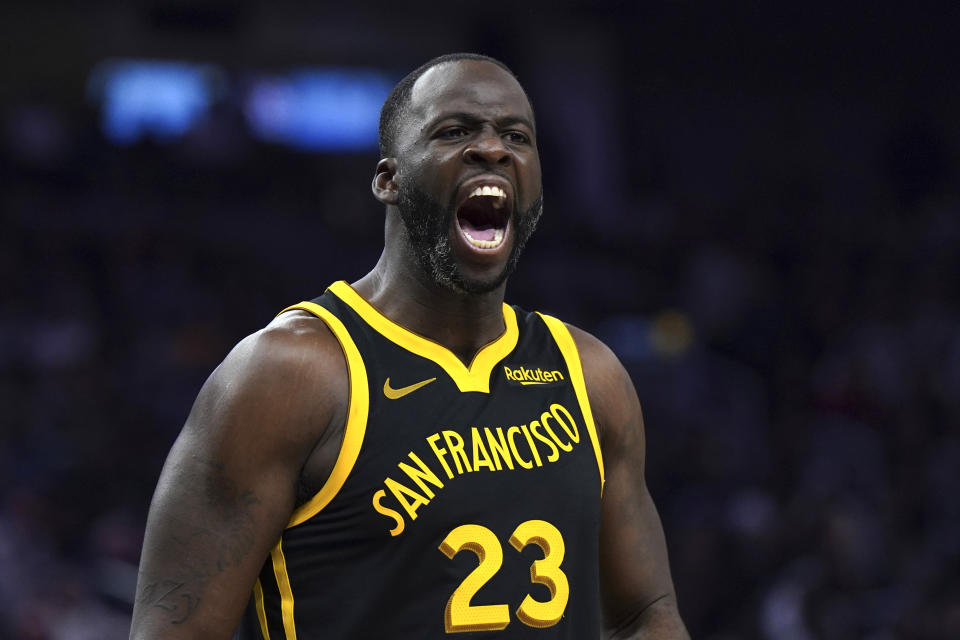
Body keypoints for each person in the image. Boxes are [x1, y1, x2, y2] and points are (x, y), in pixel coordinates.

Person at [130, 52, 689, 639]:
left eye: (516, 136)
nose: (492, 149)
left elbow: (645, 613)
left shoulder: (591, 376)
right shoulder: (289, 375)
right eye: (455, 131)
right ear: (388, 179)